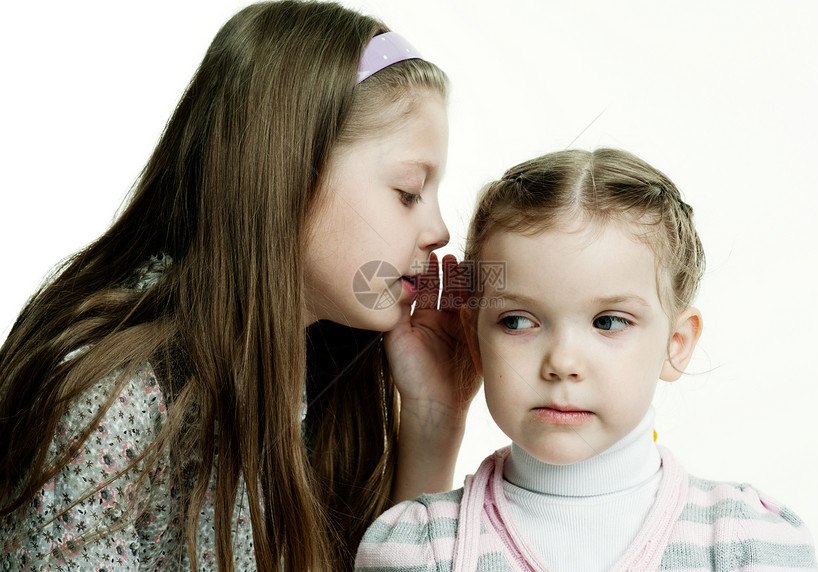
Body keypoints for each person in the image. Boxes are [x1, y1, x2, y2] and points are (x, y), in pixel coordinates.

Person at [0, 2, 478, 570]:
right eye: (408, 191)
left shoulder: (306, 373)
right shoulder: (110, 405)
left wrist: (433, 415)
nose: (439, 229)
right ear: (290, 170)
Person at [355, 148, 817, 571]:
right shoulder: (419, 545)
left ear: (676, 344)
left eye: (609, 322)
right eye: (517, 321)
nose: (562, 362)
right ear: (475, 343)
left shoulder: (750, 542)